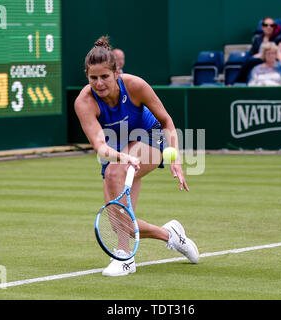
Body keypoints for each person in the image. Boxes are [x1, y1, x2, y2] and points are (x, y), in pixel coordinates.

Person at [74, 36, 199, 277]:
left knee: (113, 172)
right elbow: (100, 147)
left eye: (104, 77)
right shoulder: (84, 102)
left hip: (150, 137)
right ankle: (172, 235)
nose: (99, 83)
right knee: (122, 224)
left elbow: (166, 121)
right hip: (116, 148)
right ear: (87, 77)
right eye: (93, 78)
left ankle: (124, 257)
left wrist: (176, 159)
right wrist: (123, 156)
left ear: (117, 72)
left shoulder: (135, 86)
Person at [236, 17, 281, 83]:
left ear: (274, 27)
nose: (268, 27)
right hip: (258, 61)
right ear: (262, 27)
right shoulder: (257, 39)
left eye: (271, 25)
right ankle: (238, 83)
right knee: (248, 61)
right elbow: (251, 54)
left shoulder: (278, 39)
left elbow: (278, 54)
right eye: (265, 25)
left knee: (250, 62)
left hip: (272, 60)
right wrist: (258, 55)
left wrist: (262, 54)